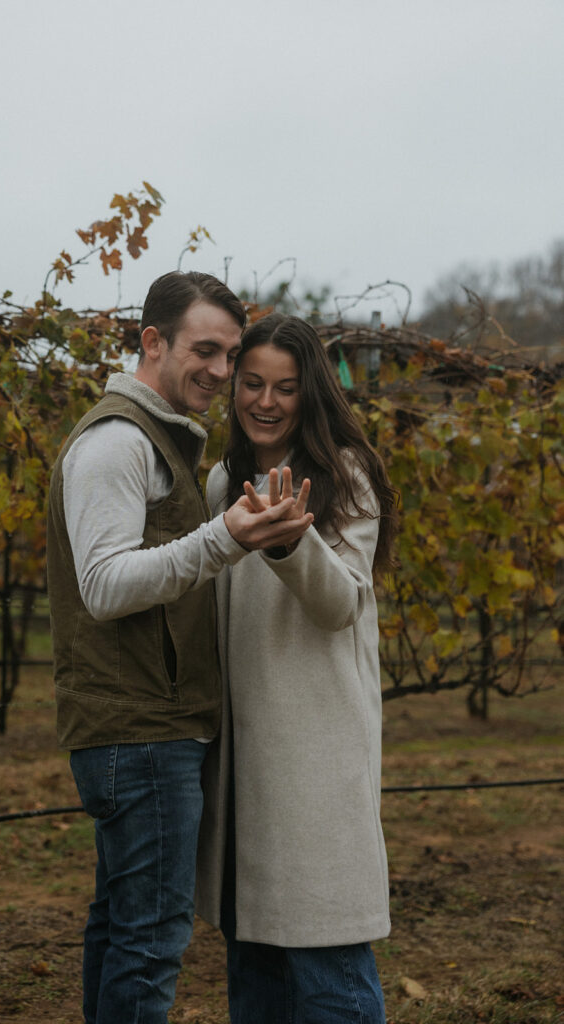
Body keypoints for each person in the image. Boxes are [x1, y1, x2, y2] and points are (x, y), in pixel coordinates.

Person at [46, 273, 313, 1024]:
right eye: (205, 350)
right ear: (152, 341)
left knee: (123, 925)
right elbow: (103, 585)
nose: (222, 373)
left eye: (230, 354)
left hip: (147, 729)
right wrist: (223, 537)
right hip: (141, 732)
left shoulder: (158, 436)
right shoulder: (116, 443)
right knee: (151, 937)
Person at [196, 313, 399, 1023]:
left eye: (284, 387)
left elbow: (342, 603)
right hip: (242, 753)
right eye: (251, 383)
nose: (265, 401)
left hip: (314, 752)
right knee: (254, 957)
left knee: (325, 955)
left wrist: (291, 544)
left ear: (308, 392)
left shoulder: (344, 473)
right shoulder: (223, 479)